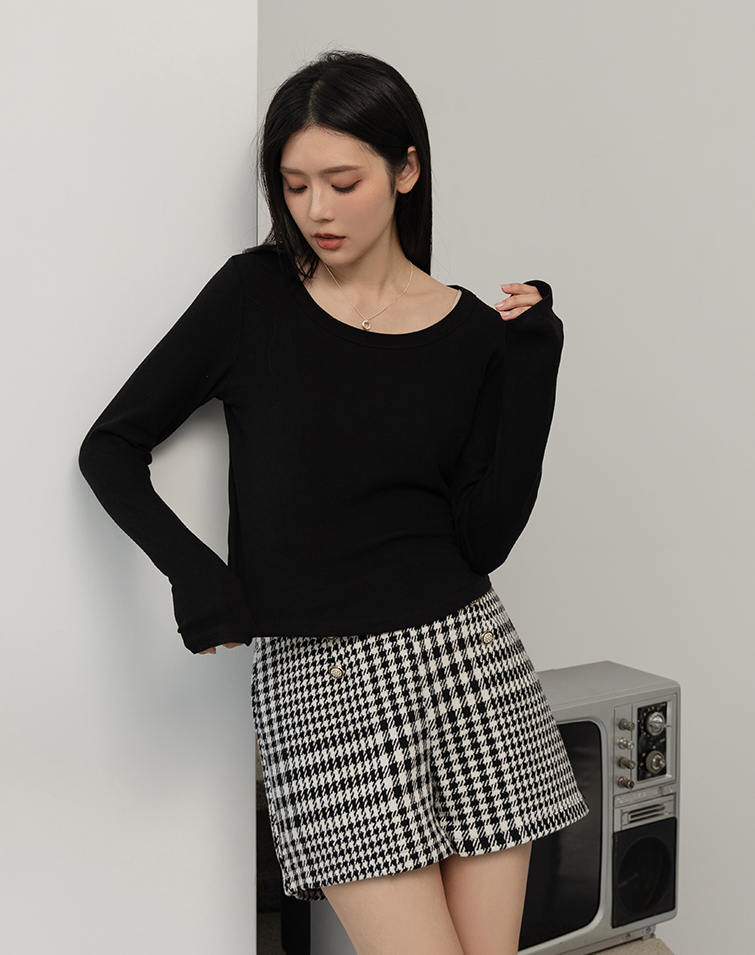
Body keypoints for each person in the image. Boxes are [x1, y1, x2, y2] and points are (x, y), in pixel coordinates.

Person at [79, 50, 588, 955]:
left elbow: (483, 538)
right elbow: (110, 446)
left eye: (342, 182)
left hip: (469, 661)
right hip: (321, 683)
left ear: (405, 169)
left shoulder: (474, 332)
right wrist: (199, 575)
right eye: (295, 184)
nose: (316, 209)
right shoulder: (254, 297)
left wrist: (532, 369)